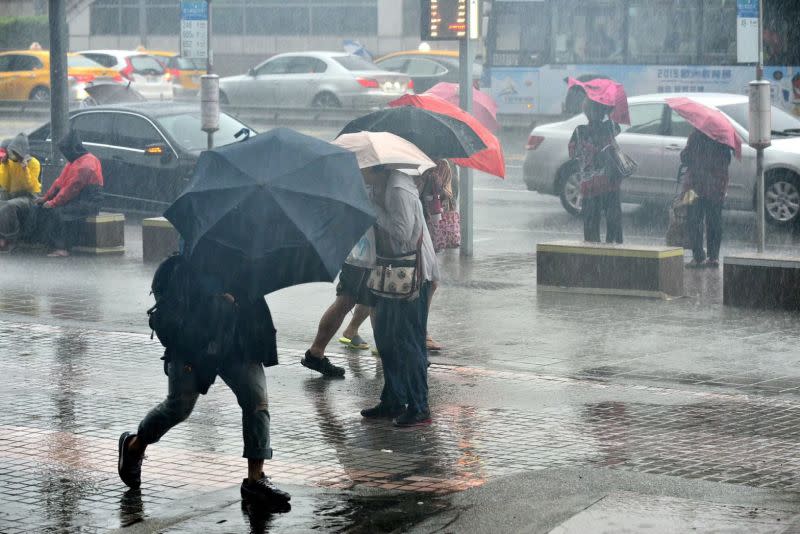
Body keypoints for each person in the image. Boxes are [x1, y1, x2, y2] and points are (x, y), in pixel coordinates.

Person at [117, 252, 291, 511]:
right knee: (178, 407)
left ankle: (255, 480)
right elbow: (182, 303)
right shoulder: (194, 253)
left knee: (256, 400)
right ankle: (134, 445)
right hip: (195, 343)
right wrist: (217, 302)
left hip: (238, 342)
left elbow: (254, 289)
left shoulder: (253, 244)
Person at [360, 165, 438, 427]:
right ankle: (394, 398)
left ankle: (419, 406)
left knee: (408, 340)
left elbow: (403, 233)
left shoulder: (398, 188)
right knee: (385, 336)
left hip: (412, 275)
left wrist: (373, 210)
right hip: (390, 272)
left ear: (374, 167)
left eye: (361, 167)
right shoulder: (377, 185)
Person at [300, 228, 376, 378]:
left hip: (366, 250)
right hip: (360, 251)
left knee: (368, 299)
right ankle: (315, 353)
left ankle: (316, 353)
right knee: (346, 300)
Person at [34, 130, 103, 257]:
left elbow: (72, 189)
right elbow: (59, 183)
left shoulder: (87, 164)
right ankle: (46, 242)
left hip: (88, 202)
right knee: (41, 209)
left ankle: (64, 247)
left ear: (72, 149)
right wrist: (45, 198)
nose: (65, 154)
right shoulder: (74, 162)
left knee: (60, 213)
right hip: (76, 198)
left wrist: (53, 202)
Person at [568, 99, 623, 243]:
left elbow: (572, 155)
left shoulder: (579, 131)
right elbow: (618, 129)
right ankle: (614, 251)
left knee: (591, 224)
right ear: (604, 111)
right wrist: (609, 112)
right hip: (610, 183)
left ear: (586, 112)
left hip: (590, 185)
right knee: (613, 221)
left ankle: (593, 254)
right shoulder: (610, 126)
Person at [680, 129, 732, 268]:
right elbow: (727, 161)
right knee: (715, 221)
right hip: (717, 186)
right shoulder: (723, 138)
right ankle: (713, 257)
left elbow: (685, 157)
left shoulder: (696, 135)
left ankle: (698, 257)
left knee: (693, 220)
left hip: (693, 186)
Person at [0, 133, 41, 252]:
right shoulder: (10, 163)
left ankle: (11, 238)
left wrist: (25, 169)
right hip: (12, 194)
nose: (14, 156)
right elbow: (4, 184)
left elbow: (30, 186)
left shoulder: (34, 163)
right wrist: (4, 165)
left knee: (9, 206)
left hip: (29, 196)